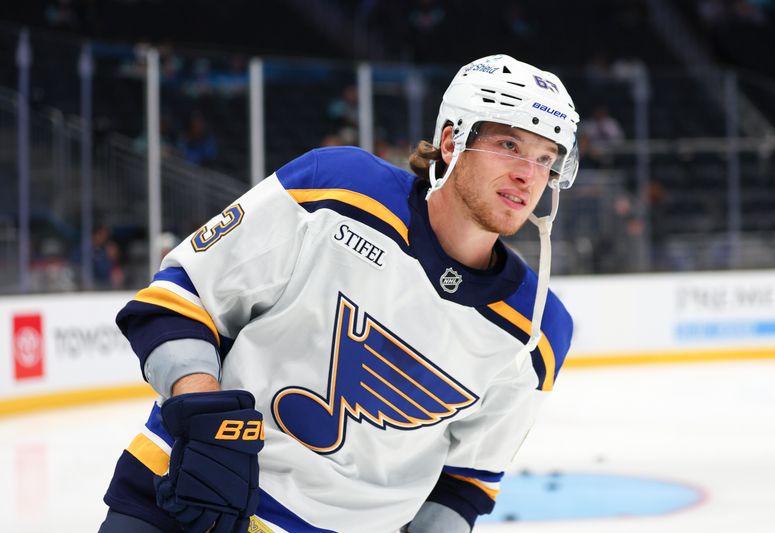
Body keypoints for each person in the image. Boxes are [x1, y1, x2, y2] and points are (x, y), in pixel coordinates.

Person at [98, 54, 580, 533]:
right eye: (510, 144)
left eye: (545, 159)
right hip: (183, 494)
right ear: (452, 141)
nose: (528, 175)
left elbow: (465, 482)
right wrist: (202, 416)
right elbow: (179, 300)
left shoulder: (538, 329)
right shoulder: (337, 190)